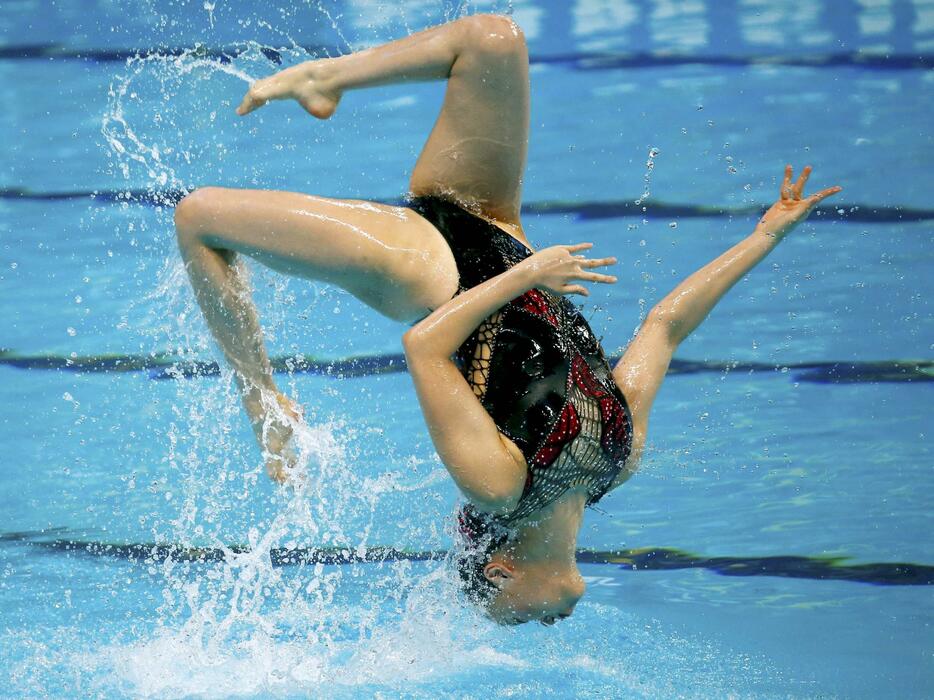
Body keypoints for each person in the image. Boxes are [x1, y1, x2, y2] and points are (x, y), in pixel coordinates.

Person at [173, 14, 841, 625]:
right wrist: (763, 238)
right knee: (496, 39)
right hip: (497, 223)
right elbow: (667, 325)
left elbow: (426, 347)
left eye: (516, 614)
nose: (540, 622)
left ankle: (258, 397)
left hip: (429, 268)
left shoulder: (498, 486)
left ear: (501, 569)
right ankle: (325, 80)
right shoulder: (617, 456)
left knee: (199, 218)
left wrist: (525, 276)